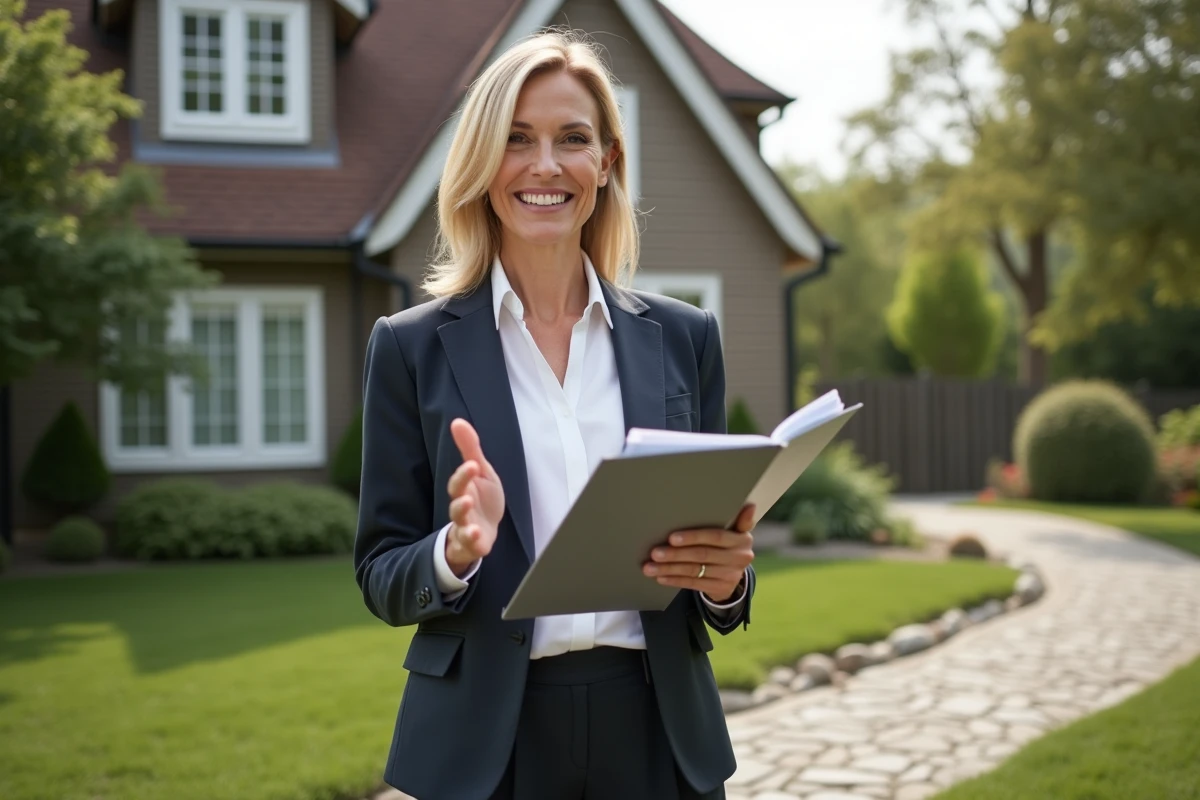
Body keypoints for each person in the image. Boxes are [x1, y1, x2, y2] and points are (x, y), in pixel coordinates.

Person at [354, 28, 757, 800]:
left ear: (605, 163)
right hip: (488, 745)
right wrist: (457, 549)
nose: (545, 166)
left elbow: (715, 550)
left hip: (657, 728)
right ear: (481, 164)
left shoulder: (685, 338)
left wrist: (724, 581)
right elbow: (380, 573)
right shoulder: (408, 348)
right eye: (516, 140)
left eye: (572, 139)